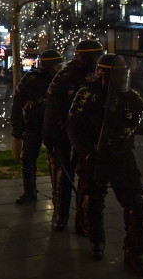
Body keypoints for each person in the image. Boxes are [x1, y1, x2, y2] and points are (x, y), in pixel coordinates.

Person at [67, 54, 143, 276]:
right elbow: (73, 128)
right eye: (118, 73)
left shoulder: (131, 97)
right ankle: (96, 239)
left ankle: (134, 252)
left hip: (121, 156)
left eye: (123, 73)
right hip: (93, 157)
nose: (121, 77)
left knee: (137, 204)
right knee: (91, 201)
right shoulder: (86, 95)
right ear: (103, 74)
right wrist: (86, 153)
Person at [43, 39, 104, 234]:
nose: (97, 60)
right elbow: (51, 108)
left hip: (88, 137)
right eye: (95, 56)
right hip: (64, 136)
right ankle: (60, 215)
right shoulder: (64, 77)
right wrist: (50, 135)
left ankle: (83, 219)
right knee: (63, 177)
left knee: (88, 179)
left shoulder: (98, 76)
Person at [11, 49, 63, 204]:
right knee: (28, 159)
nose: (59, 68)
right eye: (56, 65)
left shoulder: (61, 80)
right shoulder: (31, 79)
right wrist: (17, 127)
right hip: (34, 124)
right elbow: (17, 103)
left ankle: (59, 194)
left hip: (54, 125)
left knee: (57, 161)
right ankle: (30, 192)